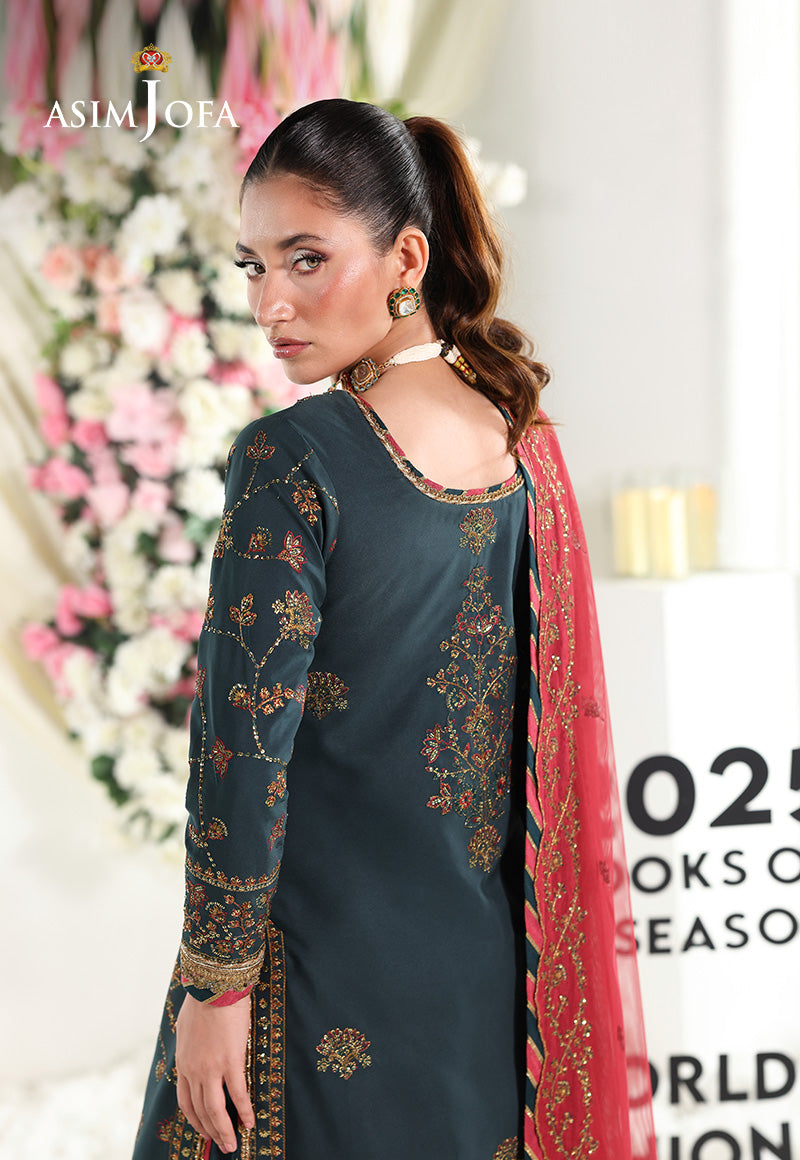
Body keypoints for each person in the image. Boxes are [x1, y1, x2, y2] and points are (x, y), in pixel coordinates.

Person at [133, 98, 656, 1160]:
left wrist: (214, 986)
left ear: (406, 258)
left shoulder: (293, 455)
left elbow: (240, 751)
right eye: (253, 266)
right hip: (482, 984)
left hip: (308, 983)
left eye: (306, 259)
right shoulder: (520, 440)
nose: (271, 302)